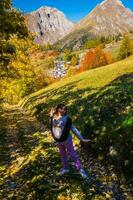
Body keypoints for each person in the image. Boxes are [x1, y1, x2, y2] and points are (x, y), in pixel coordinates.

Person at [49, 103, 91, 179]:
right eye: (61, 108)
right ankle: (66, 169)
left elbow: (74, 129)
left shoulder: (67, 119)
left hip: (67, 140)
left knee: (73, 155)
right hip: (59, 141)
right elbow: (53, 128)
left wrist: (82, 139)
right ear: (58, 109)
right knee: (63, 155)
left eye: (65, 109)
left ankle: (81, 170)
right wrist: (51, 115)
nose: (63, 111)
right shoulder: (54, 117)